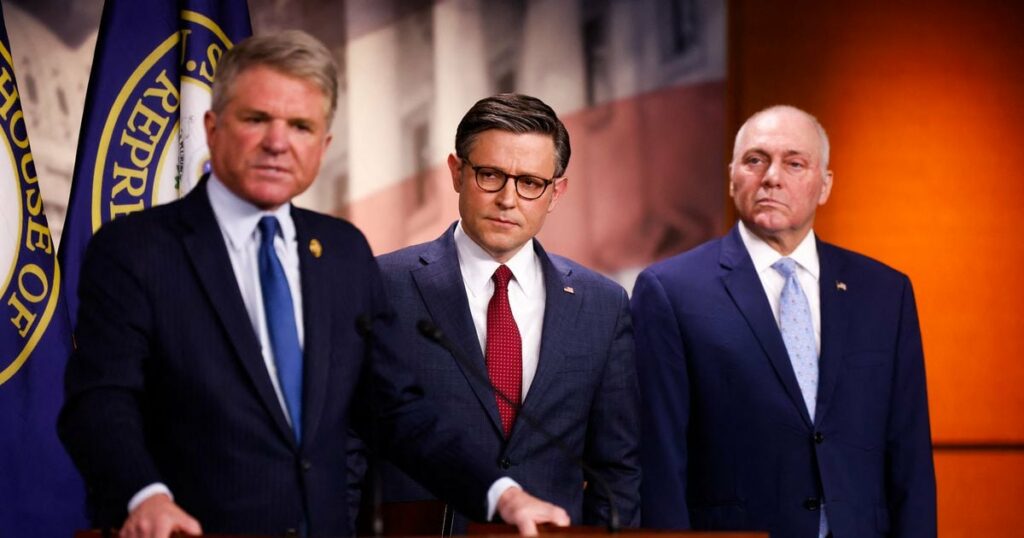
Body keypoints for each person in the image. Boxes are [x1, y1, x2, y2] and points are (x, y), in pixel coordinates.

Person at [58, 31, 568, 538]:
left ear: (322, 146)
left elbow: (395, 410)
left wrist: (502, 494)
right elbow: (101, 402)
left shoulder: (342, 253)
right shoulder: (137, 249)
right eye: (256, 119)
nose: (278, 142)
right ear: (212, 128)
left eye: (301, 126)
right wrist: (144, 496)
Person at [631, 105, 936, 537]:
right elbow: (660, 460)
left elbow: (909, 454)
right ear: (732, 174)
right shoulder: (670, 291)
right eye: (755, 160)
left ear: (825, 184)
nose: (772, 177)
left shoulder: (886, 293)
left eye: (795, 163)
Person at [374, 93, 640, 532]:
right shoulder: (384, 284)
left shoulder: (602, 304)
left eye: (530, 183)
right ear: (457, 173)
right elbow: (351, 446)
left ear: (556, 192)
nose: (508, 199)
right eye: (490, 175)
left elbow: (618, 468)